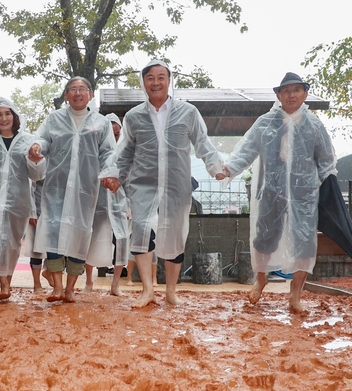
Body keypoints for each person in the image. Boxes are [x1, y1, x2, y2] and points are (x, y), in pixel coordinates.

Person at [103, 59, 223, 308]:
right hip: (143, 183)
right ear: (143, 83)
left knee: (175, 234)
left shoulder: (187, 112)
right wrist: (116, 175)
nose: (155, 82)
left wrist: (216, 168)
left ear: (169, 81)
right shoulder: (134, 117)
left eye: (161, 77)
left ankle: (170, 290)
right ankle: (147, 289)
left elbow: (203, 142)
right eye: (150, 78)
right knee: (142, 230)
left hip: (176, 183)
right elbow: (124, 152)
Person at [215, 72, 337, 313]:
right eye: (286, 91)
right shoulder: (265, 122)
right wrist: (228, 169)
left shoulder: (314, 125)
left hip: (304, 196)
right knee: (264, 239)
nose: (291, 95)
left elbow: (326, 160)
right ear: (278, 95)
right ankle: (260, 279)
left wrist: (329, 187)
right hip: (270, 192)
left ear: (305, 94)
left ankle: (295, 295)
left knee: (304, 243)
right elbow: (246, 151)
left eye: (296, 90)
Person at [28, 77, 117, 303]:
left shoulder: (101, 122)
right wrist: (38, 147)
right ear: (66, 94)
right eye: (72, 89)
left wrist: (109, 173)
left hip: (86, 190)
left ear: (91, 94)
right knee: (54, 233)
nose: (77, 93)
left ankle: (70, 289)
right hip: (56, 187)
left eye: (82, 89)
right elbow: (42, 139)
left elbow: (108, 152)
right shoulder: (55, 118)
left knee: (81, 235)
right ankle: (57, 287)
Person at [0, 97, 45, 300]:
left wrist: (36, 160)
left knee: (12, 243)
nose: (3, 118)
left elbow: (36, 176)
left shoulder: (28, 140)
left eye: (7, 113)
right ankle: (4, 285)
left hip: (19, 202)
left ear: (15, 116)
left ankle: (7, 278)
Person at [84, 113, 130, 296]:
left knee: (121, 242)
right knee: (92, 242)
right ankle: (89, 282)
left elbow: (129, 182)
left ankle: (115, 285)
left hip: (119, 206)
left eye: (117, 135)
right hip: (97, 205)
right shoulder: (93, 154)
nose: (113, 138)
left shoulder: (125, 155)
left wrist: (129, 208)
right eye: (109, 134)